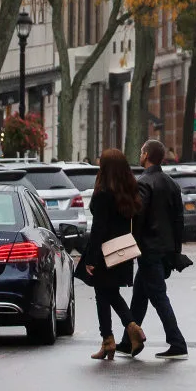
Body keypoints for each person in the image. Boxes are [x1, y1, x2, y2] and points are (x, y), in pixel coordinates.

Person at [127, 138, 188, 359]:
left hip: (148, 249)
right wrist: (176, 250)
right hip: (164, 249)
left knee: (159, 297)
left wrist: (132, 244)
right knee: (140, 295)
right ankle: (128, 341)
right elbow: (179, 221)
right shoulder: (172, 184)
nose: (140, 155)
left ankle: (177, 342)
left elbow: (138, 217)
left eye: (142, 152)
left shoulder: (143, 182)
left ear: (146, 155)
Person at [82, 148, 142, 361]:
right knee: (109, 293)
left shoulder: (103, 194)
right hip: (122, 251)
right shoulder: (129, 191)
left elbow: (98, 228)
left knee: (103, 294)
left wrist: (90, 259)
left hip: (104, 252)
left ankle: (116, 336)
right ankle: (120, 334)